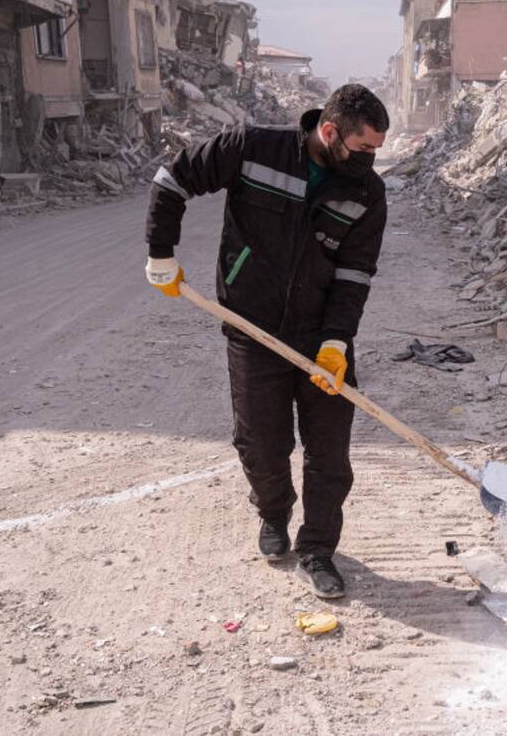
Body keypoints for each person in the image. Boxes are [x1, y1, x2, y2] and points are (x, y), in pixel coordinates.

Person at [144, 84, 388, 598]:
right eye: (364, 148)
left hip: (319, 334)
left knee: (329, 451)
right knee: (260, 441)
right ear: (329, 131)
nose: (371, 161)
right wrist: (161, 253)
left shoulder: (366, 192)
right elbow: (172, 180)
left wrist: (337, 343)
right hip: (251, 327)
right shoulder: (252, 147)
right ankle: (273, 514)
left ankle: (318, 547)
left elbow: (355, 273)